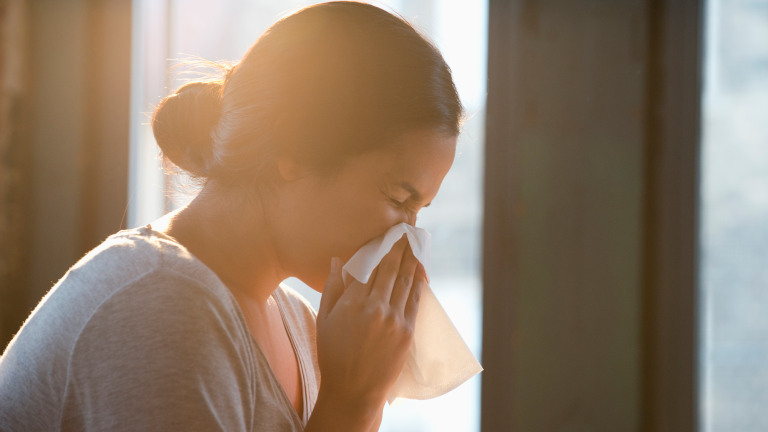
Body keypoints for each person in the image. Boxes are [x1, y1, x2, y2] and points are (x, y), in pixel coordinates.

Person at [0, 1, 462, 431]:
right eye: (399, 198)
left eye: (419, 211)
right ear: (297, 149)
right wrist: (353, 403)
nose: (407, 236)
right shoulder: (163, 308)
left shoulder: (300, 325)